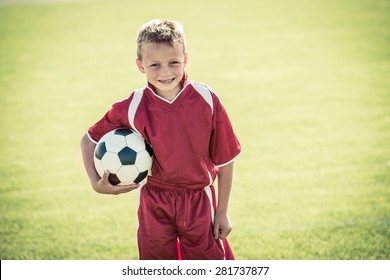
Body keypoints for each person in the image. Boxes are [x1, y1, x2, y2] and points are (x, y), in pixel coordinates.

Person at [80, 19, 241, 260]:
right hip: (153, 200)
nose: (165, 72)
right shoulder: (132, 107)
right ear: (140, 65)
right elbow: (89, 139)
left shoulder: (207, 100)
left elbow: (226, 161)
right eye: (155, 64)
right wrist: (95, 182)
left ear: (185, 59)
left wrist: (222, 212)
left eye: (173, 62)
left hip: (198, 200)